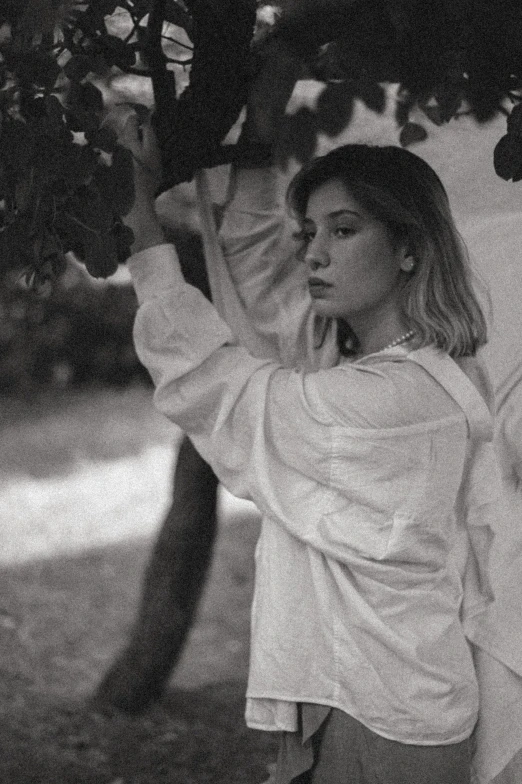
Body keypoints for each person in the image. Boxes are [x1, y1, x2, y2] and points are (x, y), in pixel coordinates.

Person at [116, 110, 514, 784]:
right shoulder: (378, 367)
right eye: (309, 234)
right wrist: (266, 96)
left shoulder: (395, 401)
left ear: (410, 248)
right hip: (346, 696)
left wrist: (139, 226)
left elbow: (219, 390)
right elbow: (260, 271)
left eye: (345, 230)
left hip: (392, 723)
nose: (315, 254)